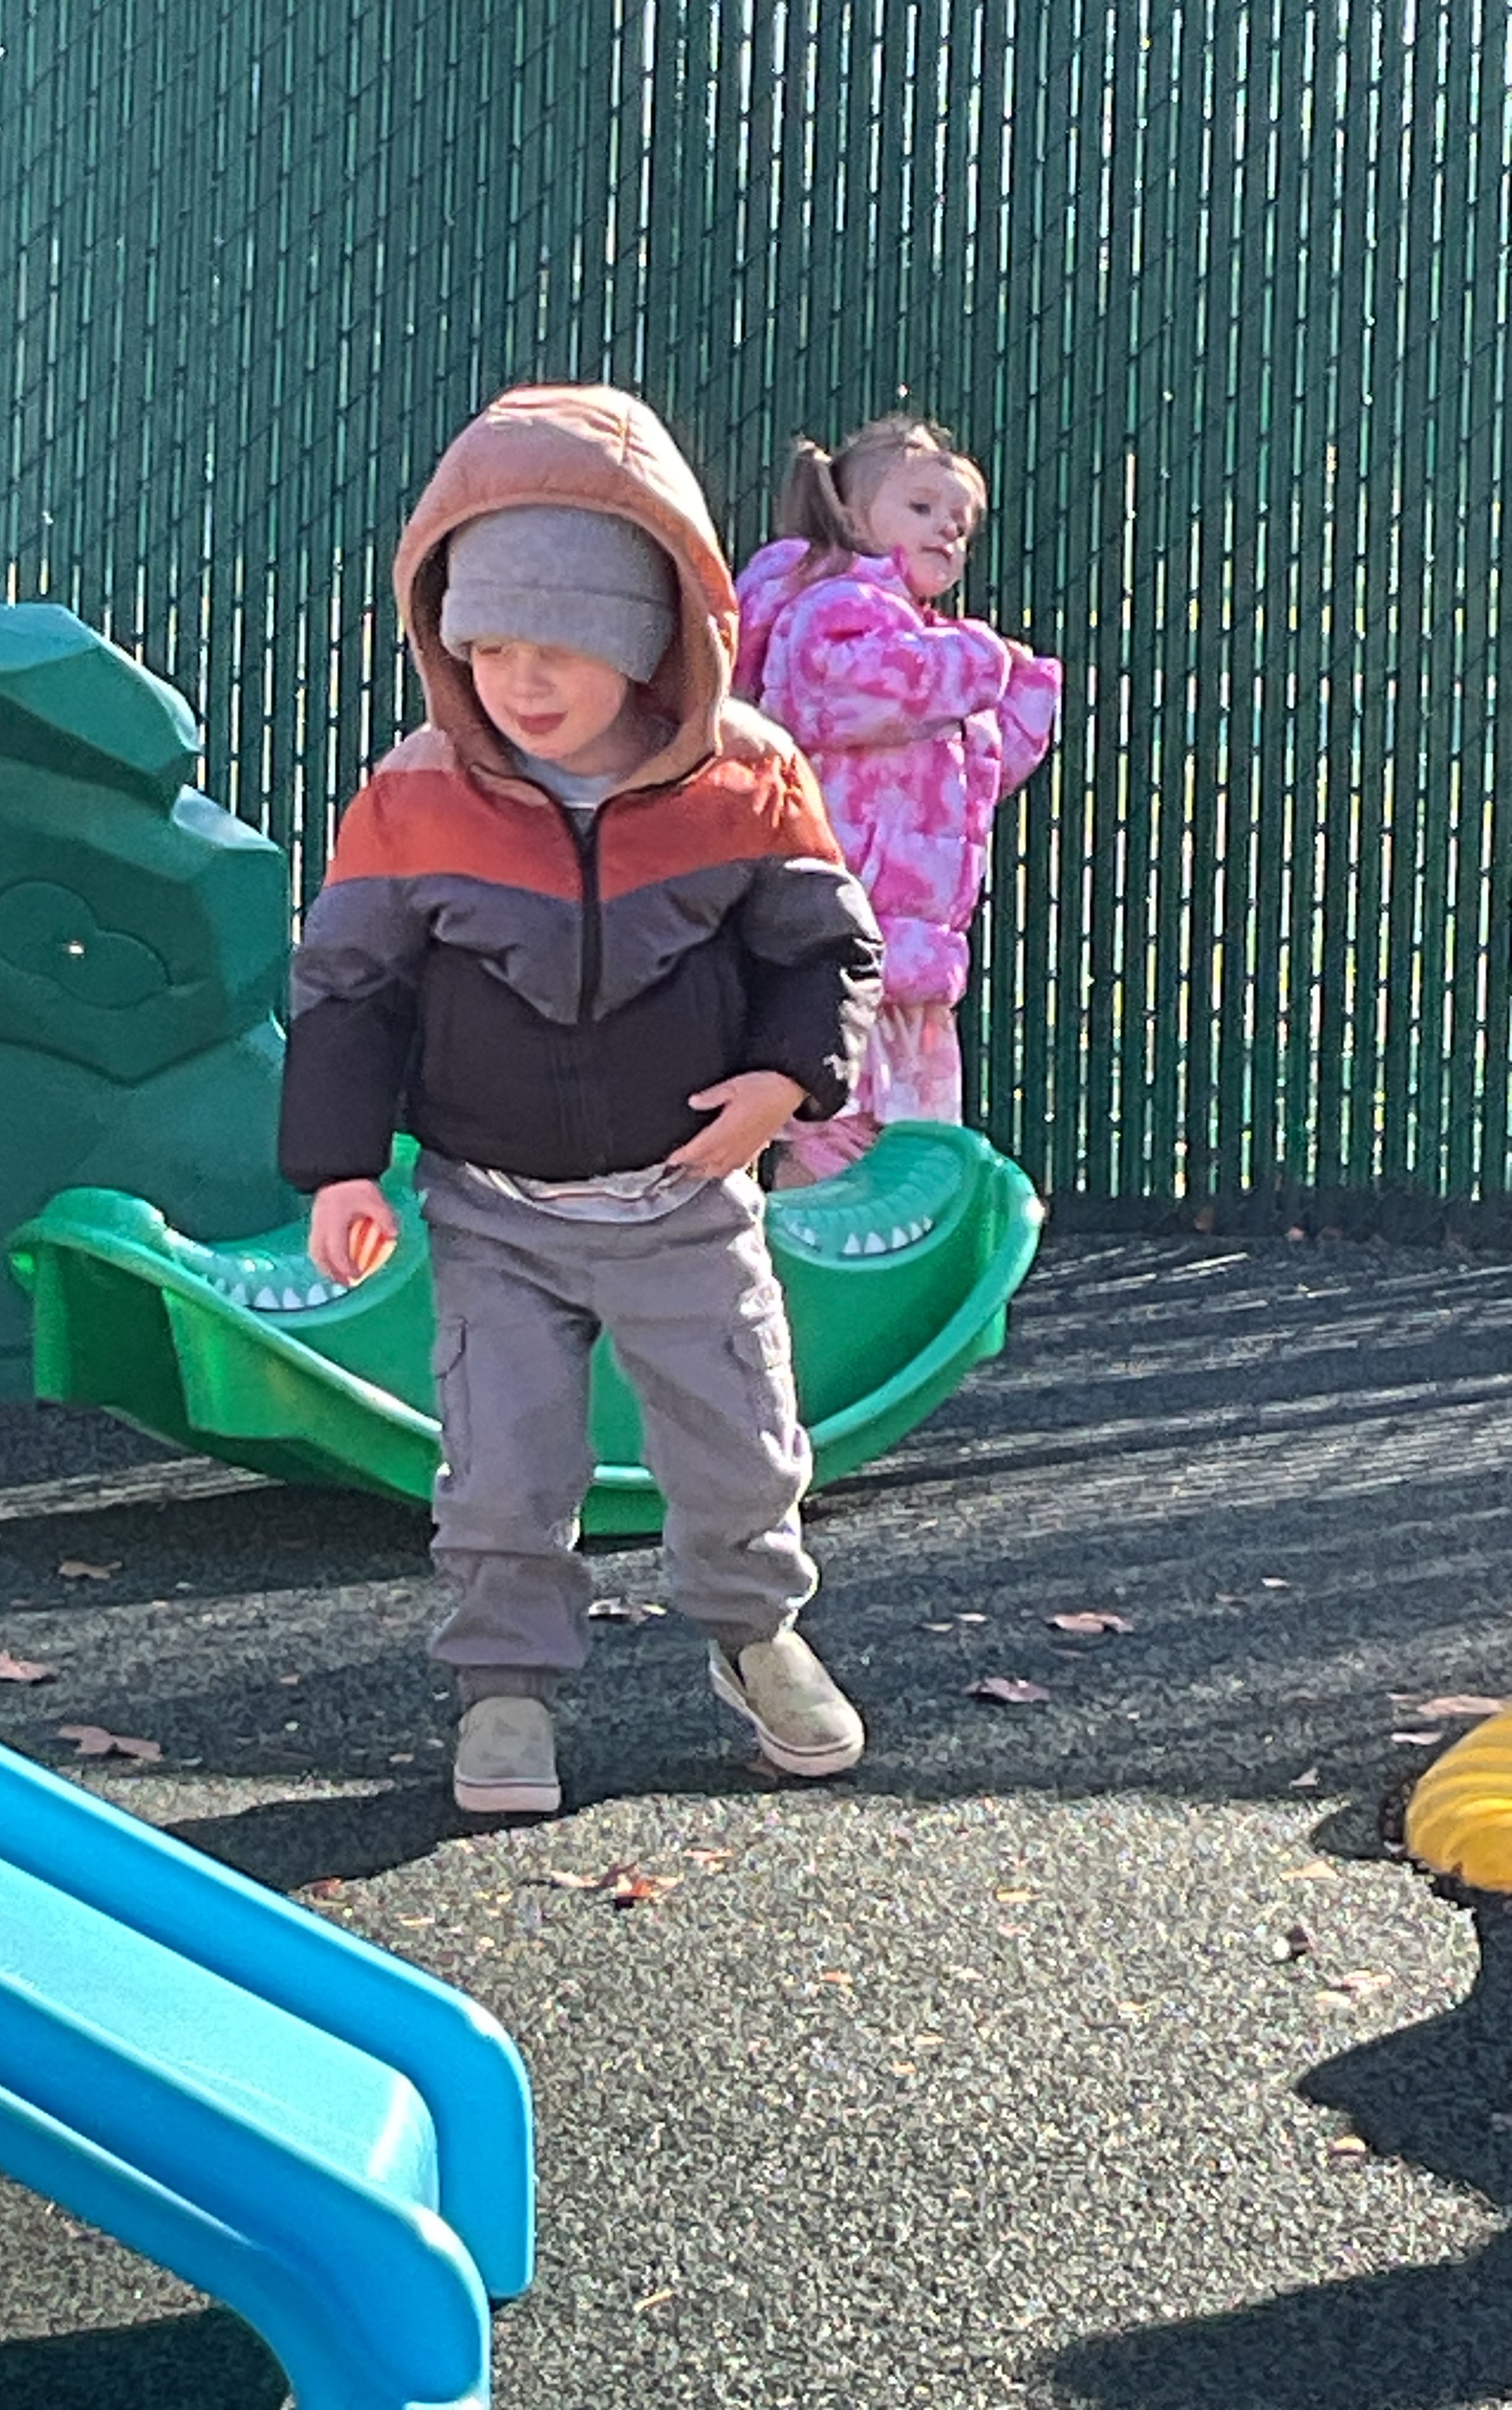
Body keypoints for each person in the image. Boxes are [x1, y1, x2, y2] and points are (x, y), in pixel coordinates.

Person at [278, 383, 884, 1816]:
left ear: (646, 633)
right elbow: (349, 988)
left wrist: (787, 1079)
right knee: (501, 1460)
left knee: (737, 1437)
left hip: (685, 1196)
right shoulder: (416, 793)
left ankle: (755, 1630)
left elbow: (822, 950)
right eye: (489, 647)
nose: (522, 682)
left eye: (558, 646)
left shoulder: (746, 776)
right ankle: (504, 1683)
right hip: (495, 1205)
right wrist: (341, 1166)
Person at [733, 414, 1061, 1181]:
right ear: (852, 518)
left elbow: (978, 772)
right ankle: (804, 1251)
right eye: (922, 507)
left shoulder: (921, 634)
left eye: (961, 523)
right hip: (843, 933)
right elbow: (857, 689)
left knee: (907, 1146)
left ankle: (887, 1256)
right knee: (831, 1132)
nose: (948, 530)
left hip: (909, 944)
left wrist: (1023, 691)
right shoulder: (831, 606)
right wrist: (982, 661)